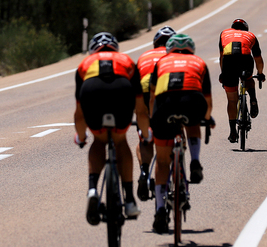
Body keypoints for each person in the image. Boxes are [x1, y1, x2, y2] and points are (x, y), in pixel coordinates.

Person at [73, 32, 148, 225]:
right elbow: (140, 109)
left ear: (93, 50)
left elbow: (79, 113)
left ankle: (92, 190)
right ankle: (130, 200)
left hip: (92, 90)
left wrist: (81, 137)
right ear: (115, 48)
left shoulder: (85, 64)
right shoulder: (127, 61)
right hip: (121, 90)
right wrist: (145, 133)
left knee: (99, 140)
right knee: (120, 141)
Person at [147, 33, 214, 234]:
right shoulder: (199, 62)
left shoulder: (161, 62)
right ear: (191, 50)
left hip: (164, 105)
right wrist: (207, 118)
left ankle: (160, 210)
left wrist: (152, 120)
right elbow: (207, 99)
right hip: (192, 101)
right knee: (193, 121)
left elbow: (152, 97)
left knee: (162, 162)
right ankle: (194, 161)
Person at [133, 25, 176, 201]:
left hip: (144, 91)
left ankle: (144, 172)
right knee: (173, 131)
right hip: (167, 90)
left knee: (146, 137)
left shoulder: (144, 56)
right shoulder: (176, 55)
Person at [218, 18, 265, 143]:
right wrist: (260, 74)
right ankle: (253, 99)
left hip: (228, 63)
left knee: (232, 100)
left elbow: (222, 57)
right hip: (245, 60)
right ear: (246, 28)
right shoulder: (251, 36)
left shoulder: (224, 34)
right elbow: (258, 58)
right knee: (248, 78)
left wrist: (223, 73)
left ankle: (233, 132)